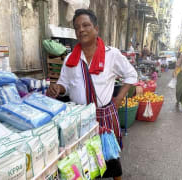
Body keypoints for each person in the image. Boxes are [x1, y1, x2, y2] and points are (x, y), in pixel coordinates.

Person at [47, 9, 142, 180]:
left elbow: (131, 74)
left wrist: (119, 98)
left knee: (111, 157)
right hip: (80, 118)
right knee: (84, 159)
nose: (81, 30)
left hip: (104, 115)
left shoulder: (111, 54)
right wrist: (57, 88)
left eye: (85, 25)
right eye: (77, 27)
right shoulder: (70, 58)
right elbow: (65, 85)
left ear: (96, 29)